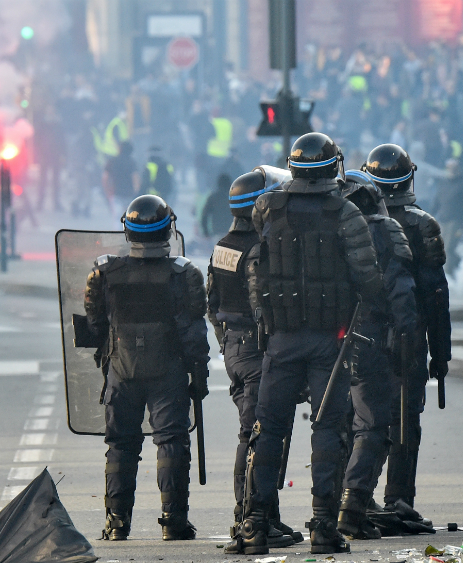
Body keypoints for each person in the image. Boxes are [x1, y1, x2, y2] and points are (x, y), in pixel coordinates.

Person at [227, 132, 384, 556]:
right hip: (329, 339)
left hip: (280, 338)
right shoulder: (347, 213)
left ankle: (256, 523)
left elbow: (259, 264)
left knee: (268, 429)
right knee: (329, 428)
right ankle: (322, 526)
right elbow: (368, 276)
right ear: (333, 166)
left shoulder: (266, 207)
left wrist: (267, 319)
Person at [84, 195, 210, 542]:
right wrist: (199, 373)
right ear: (167, 230)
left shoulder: (104, 273)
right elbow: (194, 332)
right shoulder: (184, 274)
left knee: (121, 445)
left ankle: (116, 523)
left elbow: (93, 327)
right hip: (168, 371)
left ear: (128, 232)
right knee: (171, 442)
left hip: (121, 372)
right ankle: (173, 521)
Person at [206, 168, 299, 549]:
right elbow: (266, 306)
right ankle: (249, 518)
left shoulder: (223, 245)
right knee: (259, 434)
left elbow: (212, 304)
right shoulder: (262, 248)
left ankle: (265, 515)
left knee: (258, 432)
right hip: (258, 347)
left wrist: (229, 344)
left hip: (234, 346)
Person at [362, 143, 451, 519]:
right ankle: (399, 499)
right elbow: (436, 295)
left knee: (360, 419)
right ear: (409, 177)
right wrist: (441, 353)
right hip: (409, 338)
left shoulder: (354, 222)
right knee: (405, 421)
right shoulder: (422, 224)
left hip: (362, 335)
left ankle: (356, 496)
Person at [337, 171, 422, 540]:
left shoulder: (327, 229)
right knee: (372, 425)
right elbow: (403, 295)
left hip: (330, 344)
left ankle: (331, 508)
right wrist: (408, 346)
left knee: (336, 428)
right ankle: (353, 507)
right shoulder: (386, 231)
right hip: (371, 340)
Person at [102, 140, 138, 216]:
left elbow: (105, 178)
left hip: (115, 193)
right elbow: (135, 178)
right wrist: (136, 192)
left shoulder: (112, 161)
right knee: (129, 217)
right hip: (129, 193)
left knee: (118, 217)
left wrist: (107, 191)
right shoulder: (132, 162)